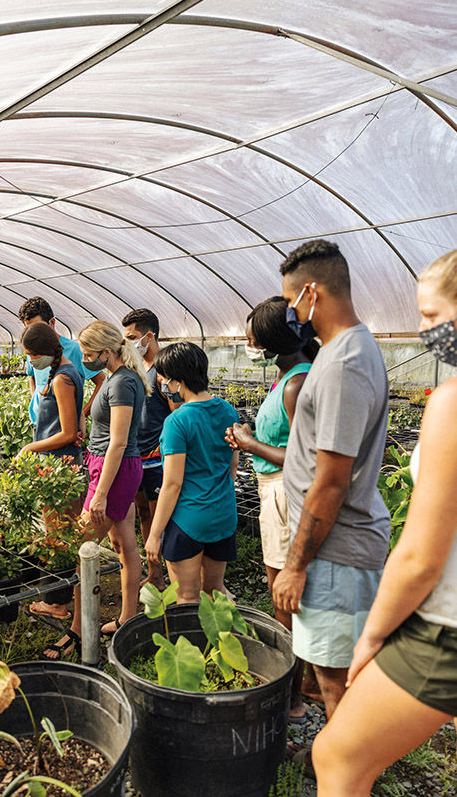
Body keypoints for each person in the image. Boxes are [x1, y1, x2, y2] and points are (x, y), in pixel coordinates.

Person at [312, 249, 457, 796]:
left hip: (444, 626)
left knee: (338, 758)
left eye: (430, 315)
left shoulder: (451, 403)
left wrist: (373, 636)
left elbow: (421, 556)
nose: (423, 329)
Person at [272, 240, 390, 770]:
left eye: (293, 302)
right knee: (330, 667)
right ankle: (334, 759)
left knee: (335, 679)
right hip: (333, 546)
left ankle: (345, 778)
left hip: (335, 550)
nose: (292, 314)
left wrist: (295, 565)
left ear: (313, 294)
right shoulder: (344, 352)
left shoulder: (344, 363)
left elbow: (331, 480)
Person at [225, 296, 318, 722]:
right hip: (271, 490)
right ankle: (310, 683)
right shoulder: (289, 379)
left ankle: (292, 698)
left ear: (274, 343)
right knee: (281, 591)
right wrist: (249, 437)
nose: (250, 348)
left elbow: (303, 456)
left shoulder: (299, 383)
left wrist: (249, 444)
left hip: (285, 493)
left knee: (286, 600)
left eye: (252, 341)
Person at [43, 320, 149, 659]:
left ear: (107, 352)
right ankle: (127, 619)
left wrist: (100, 493)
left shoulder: (123, 383)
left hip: (112, 471)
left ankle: (78, 630)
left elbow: (118, 442)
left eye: (89, 354)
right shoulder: (120, 378)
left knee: (81, 549)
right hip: (111, 467)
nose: (85, 359)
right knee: (123, 543)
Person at [145, 342, 239, 603]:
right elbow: (232, 466)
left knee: (186, 599)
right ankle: (222, 643)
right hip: (223, 515)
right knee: (215, 595)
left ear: (178, 380)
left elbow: (172, 485)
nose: (162, 383)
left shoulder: (177, 422)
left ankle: (192, 645)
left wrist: (154, 535)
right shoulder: (228, 410)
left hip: (189, 520)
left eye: (163, 378)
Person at [18, 322, 86, 622]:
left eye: (32, 355)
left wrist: (30, 448)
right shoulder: (68, 370)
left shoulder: (61, 378)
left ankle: (58, 604)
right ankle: (63, 597)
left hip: (59, 466)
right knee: (61, 534)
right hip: (60, 463)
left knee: (58, 537)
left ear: (44, 353)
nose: (31, 361)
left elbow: (68, 432)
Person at [121, 308, 182, 590]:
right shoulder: (136, 367)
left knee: (162, 519)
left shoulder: (163, 369)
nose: (128, 341)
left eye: (132, 336)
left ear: (148, 335)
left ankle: (178, 580)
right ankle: (155, 574)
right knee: (144, 513)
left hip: (158, 457)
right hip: (137, 454)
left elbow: (176, 414)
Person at [18, 296, 104, 423]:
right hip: (38, 421)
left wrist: (83, 414)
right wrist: (35, 402)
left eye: (38, 327)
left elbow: (101, 381)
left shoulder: (75, 349)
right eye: (29, 329)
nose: (34, 334)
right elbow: (32, 377)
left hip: (62, 425)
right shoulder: (32, 348)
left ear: (52, 323)